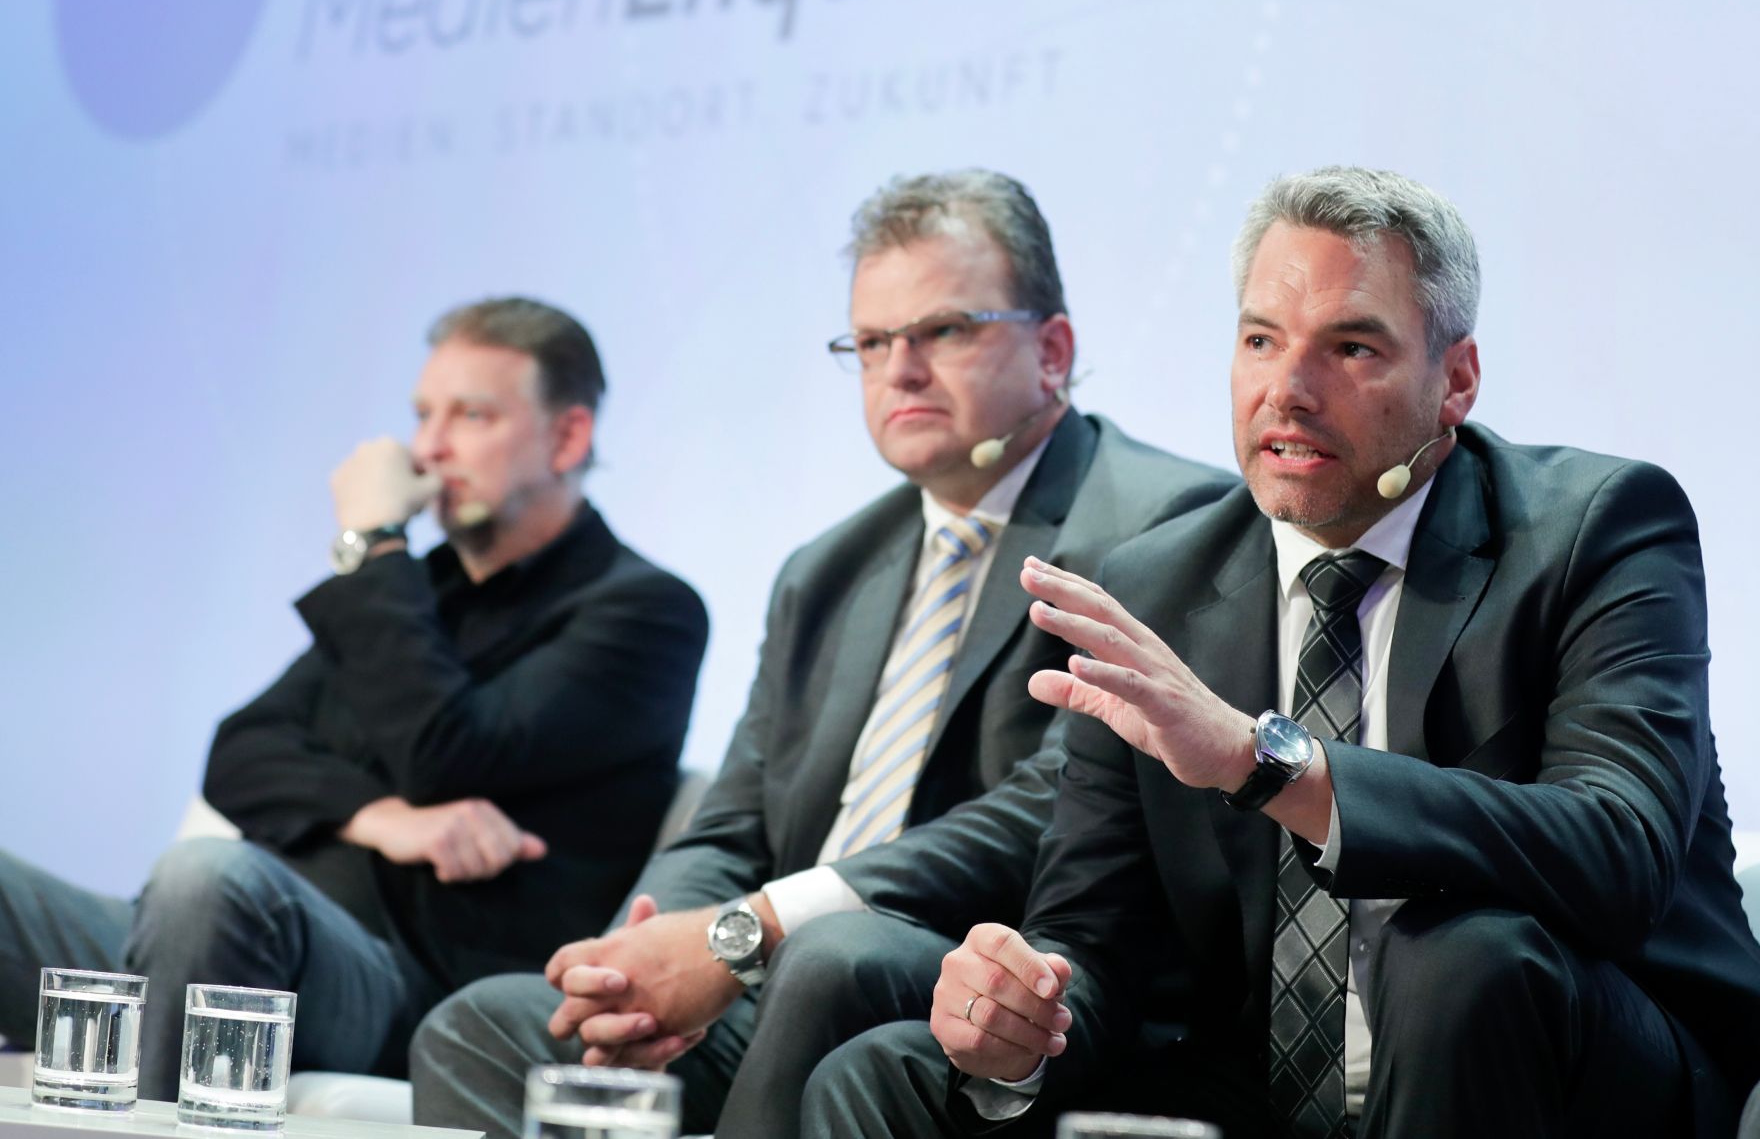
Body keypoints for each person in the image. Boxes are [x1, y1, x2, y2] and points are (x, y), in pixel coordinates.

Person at [806, 167, 1760, 1138]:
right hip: (1256, 1083)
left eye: (1348, 347)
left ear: (1455, 379)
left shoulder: (1594, 531)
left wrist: (1268, 765)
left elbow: (1618, 852)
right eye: (1259, 339)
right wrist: (1021, 1019)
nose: (1287, 390)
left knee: (1456, 956)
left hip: (1575, 1058)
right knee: (883, 1073)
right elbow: (1094, 940)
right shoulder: (1154, 585)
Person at [410, 170, 1235, 1139]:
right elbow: (731, 819)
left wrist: (747, 931)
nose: (902, 370)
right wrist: (646, 956)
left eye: (945, 331)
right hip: (777, 972)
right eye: (873, 343)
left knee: (829, 955)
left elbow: (1051, 802)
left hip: (985, 990)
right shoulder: (825, 568)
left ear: (1051, 349)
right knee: (479, 1027)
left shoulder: (1160, 529)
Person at [0, 296, 709, 1100]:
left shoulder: (642, 613)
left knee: (212, 877)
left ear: (568, 436)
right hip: (214, 940)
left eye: (471, 415)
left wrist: (372, 544)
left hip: (407, 985)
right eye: (422, 415)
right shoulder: (415, 594)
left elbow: (447, 751)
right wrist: (387, 821)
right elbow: (241, 752)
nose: (430, 448)